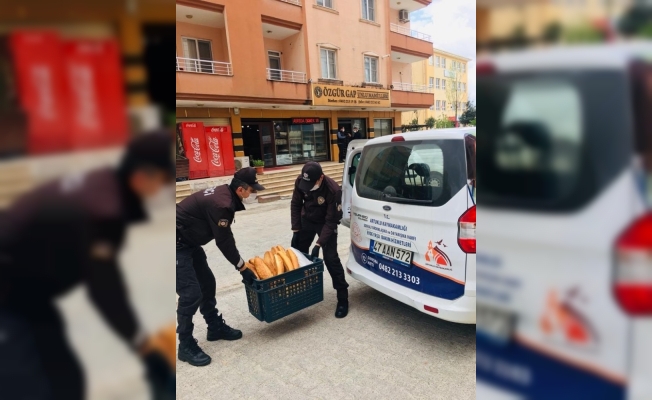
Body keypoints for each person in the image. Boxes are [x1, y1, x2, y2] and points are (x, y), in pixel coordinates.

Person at [0, 132, 176, 400]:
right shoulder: (104, 211)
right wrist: (142, 346)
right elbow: (105, 289)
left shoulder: (103, 184)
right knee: (27, 384)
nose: (164, 190)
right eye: (164, 181)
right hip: (10, 291)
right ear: (142, 176)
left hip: (30, 292)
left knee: (64, 378)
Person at [175, 167, 264, 366]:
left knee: (207, 283)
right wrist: (242, 267)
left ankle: (214, 327)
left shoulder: (226, 193)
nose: (253, 194)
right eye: (252, 190)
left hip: (188, 242)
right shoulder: (222, 203)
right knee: (190, 294)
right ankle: (185, 345)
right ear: (240, 189)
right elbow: (224, 241)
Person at [290, 162, 349, 318]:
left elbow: (331, 221)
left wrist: (319, 243)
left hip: (325, 223)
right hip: (307, 219)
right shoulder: (301, 181)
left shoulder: (333, 190)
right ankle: (302, 291)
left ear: (320, 178)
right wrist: (296, 229)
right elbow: (296, 204)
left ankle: (342, 297)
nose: (308, 187)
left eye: (311, 184)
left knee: (330, 258)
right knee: (297, 254)